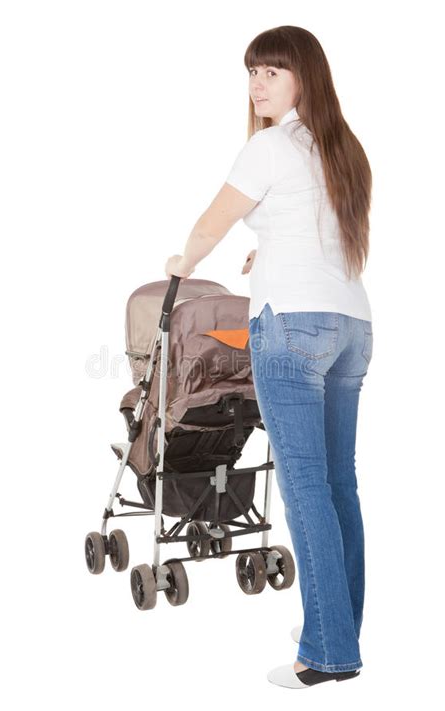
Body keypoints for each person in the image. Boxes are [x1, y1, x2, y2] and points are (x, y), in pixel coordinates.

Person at [164, 25, 373, 690]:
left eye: (272, 73)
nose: (257, 85)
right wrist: (268, 253)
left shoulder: (268, 146)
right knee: (339, 486)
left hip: (290, 326)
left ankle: (325, 653)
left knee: (307, 487)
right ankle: (338, 626)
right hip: (352, 324)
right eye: (252, 72)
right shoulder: (345, 148)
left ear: (304, 78)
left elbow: (212, 220)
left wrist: (184, 261)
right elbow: (325, 233)